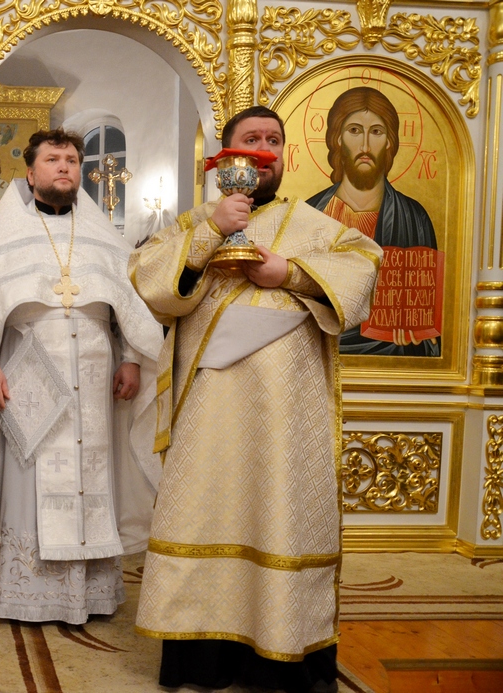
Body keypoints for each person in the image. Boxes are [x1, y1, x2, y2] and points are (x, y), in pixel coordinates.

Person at [129, 106, 382, 692]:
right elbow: (149, 280)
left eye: (273, 140)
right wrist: (212, 231)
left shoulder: (314, 226)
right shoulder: (196, 222)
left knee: (281, 519)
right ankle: (202, 660)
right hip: (210, 413)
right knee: (205, 513)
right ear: (225, 156)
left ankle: (282, 656)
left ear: (283, 156)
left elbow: (364, 265)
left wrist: (287, 272)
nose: (263, 149)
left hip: (287, 418)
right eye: (250, 139)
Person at [0, 129, 163, 624]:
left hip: (95, 376)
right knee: (28, 473)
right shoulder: (3, 237)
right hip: (27, 370)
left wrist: (131, 358)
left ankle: (87, 593)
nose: (64, 167)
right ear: (30, 174)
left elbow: (129, 306)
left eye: (72, 160)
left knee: (91, 473)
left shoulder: (102, 237)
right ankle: (24, 592)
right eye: (53, 159)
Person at [306, 86, 439, 356]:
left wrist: (416, 334)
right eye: (354, 130)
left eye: (376, 132)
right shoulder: (309, 214)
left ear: (389, 141)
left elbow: (430, 324)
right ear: (338, 138)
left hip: (392, 365)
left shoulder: (415, 218)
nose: (365, 146)